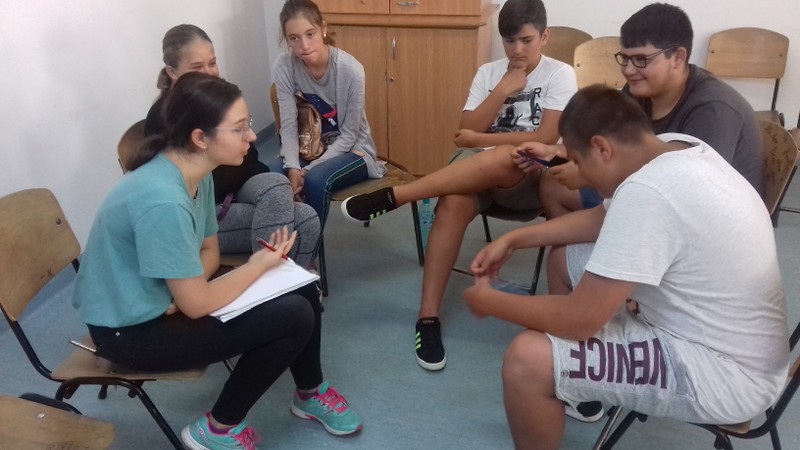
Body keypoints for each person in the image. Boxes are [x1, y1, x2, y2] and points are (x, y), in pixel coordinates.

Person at [464, 85, 788, 450]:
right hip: (738, 339)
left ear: (603, 148)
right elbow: (602, 218)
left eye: (579, 162)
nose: (581, 175)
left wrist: (489, 302)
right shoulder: (674, 148)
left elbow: (579, 320)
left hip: (725, 374)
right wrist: (514, 239)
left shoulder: (649, 191)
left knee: (527, 359)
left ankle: (556, 376)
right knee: (564, 259)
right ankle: (573, 380)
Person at [73, 73, 361, 450]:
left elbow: (208, 252)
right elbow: (197, 304)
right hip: (127, 332)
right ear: (200, 138)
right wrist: (257, 266)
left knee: (303, 286)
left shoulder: (197, 173)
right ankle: (217, 429)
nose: (252, 136)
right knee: (294, 316)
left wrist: (190, 292)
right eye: (239, 128)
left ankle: (309, 392)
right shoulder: (164, 200)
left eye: (248, 124)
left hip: (165, 303)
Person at [340, 0, 578, 376]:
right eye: (509, 41)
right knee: (452, 203)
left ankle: (398, 196)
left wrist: (482, 139)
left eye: (526, 40)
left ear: (544, 37)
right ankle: (428, 319)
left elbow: (545, 137)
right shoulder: (489, 73)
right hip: (476, 176)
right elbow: (464, 130)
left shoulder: (560, 74)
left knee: (506, 155)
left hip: (530, 180)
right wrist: (502, 90)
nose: (517, 50)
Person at [538, 3, 763, 218]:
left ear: (678, 57)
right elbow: (609, 142)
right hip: (654, 190)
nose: (628, 70)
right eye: (625, 58)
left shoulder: (714, 107)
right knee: (553, 184)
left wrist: (587, 174)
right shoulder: (640, 89)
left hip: (704, 213)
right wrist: (560, 151)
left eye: (640, 60)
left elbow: (686, 183)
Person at [145, 24, 320, 268]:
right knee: (303, 219)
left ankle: (287, 283)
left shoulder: (219, 98)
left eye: (212, 63)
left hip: (237, 190)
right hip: (204, 214)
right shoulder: (163, 119)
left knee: (278, 186)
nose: (209, 73)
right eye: (197, 67)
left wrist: (268, 196)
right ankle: (272, 281)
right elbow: (192, 189)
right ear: (172, 72)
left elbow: (250, 159)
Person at [270, 0, 387, 229]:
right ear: (286, 39)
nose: (304, 45)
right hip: (308, 148)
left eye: (310, 34)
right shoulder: (284, 65)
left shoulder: (351, 70)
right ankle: (284, 245)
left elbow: (349, 135)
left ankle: (309, 247)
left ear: (323, 29)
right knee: (272, 176)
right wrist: (293, 166)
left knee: (315, 179)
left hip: (354, 151)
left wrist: (307, 170)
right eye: (294, 38)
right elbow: (289, 126)